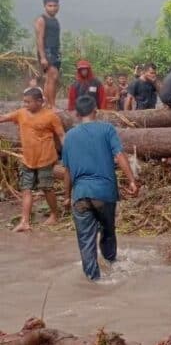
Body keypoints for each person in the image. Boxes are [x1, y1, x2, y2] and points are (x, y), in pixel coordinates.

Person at [60, 95, 139, 280]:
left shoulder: (70, 136)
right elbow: (119, 155)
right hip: (105, 193)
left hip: (80, 196)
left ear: (77, 114)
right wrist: (132, 181)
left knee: (86, 241)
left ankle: (93, 281)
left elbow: (67, 170)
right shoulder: (107, 129)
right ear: (96, 111)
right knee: (108, 230)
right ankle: (112, 265)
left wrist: (65, 195)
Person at [0, 87, 65, 232]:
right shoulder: (21, 113)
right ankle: (24, 221)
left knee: (47, 187)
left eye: (28, 102)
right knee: (26, 189)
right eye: (24, 101)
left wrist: (68, 153)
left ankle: (55, 214)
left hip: (45, 159)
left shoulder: (51, 116)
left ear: (40, 101)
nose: (25, 104)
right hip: (28, 159)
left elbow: (61, 135)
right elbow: (3, 118)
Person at [34, 0, 61, 108]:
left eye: (55, 6)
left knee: (51, 79)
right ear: (45, 6)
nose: (52, 8)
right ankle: (52, 105)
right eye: (50, 6)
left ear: (58, 7)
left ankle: (45, 105)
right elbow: (39, 38)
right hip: (46, 51)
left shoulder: (55, 20)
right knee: (53, 77)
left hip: (56, 51)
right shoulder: (41, 19)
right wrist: (43, 57)